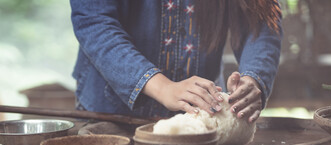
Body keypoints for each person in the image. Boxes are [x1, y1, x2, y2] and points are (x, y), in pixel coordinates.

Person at [70, 0, 282, 123]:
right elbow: (94, 22)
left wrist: (253, 79)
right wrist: (163, 88)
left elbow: (261, 21)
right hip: (112, 116)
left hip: (203, 118)